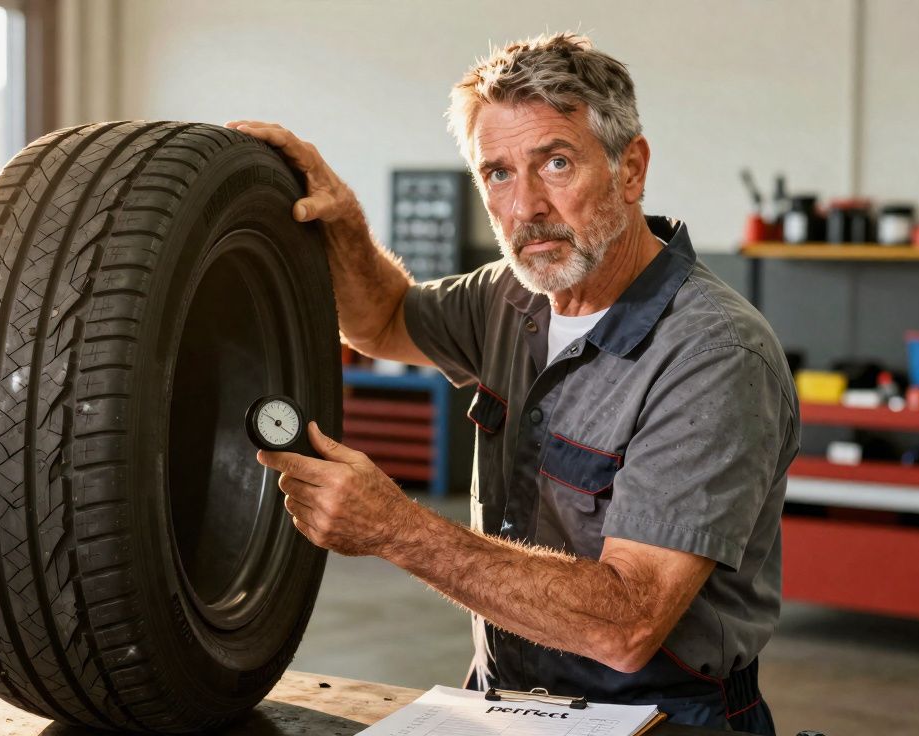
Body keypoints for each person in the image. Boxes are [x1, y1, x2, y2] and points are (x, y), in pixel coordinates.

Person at [228, 32, 797, 735]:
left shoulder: (714, 354)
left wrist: (396, 529)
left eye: (555, 163)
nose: (525, 206)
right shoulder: (512, 297)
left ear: (630, 168)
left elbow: (628, 624)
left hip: (664, 717)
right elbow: (380, 321)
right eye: (497, 173)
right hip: (504, 697)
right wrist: (343, 223)